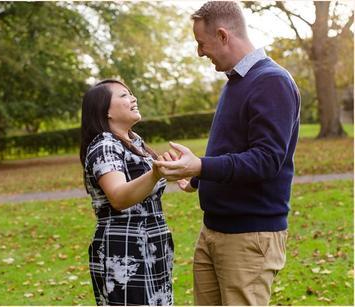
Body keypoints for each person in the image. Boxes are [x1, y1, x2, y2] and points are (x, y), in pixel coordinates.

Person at [154, 1, 301, 305]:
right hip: (213, 230)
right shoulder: (235, 82)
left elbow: (266, 160)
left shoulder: (271, 81)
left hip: (249, 236)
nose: (199, 52)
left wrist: (201, 167)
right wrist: (195, 177)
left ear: (222, 35)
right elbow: (232, 149)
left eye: (201, 44)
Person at [80, 79, 174, 305]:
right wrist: (155, 173)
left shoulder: (134, 143)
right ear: (106, 112)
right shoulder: (105, 145)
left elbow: (150, 182)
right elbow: (119, 197)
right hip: (124, 250)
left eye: (131, 94)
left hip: (152, 243)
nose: (133, 99)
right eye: (124, 95)